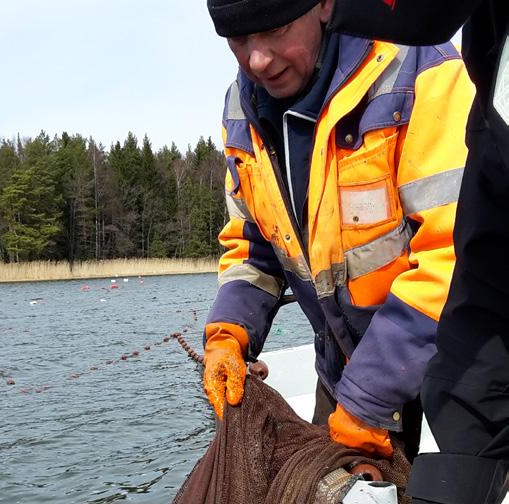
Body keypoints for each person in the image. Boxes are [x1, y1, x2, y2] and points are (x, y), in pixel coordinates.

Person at [203, 0, 473, 467]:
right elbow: (253, 245)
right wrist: (228, 333)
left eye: (276, 29)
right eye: (239, 39)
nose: (258, 60)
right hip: (343, 376)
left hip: (456, 375)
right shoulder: (239, 108)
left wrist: (370, 396)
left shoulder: (420, 67)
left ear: (325, 4)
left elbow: (455, 258)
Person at [331, 0, 509, 504]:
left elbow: (442, 262)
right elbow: (484, 280)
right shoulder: (492, 66)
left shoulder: (433, 74)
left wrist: (368, 396)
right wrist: (456, 490)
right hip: (369, 384)